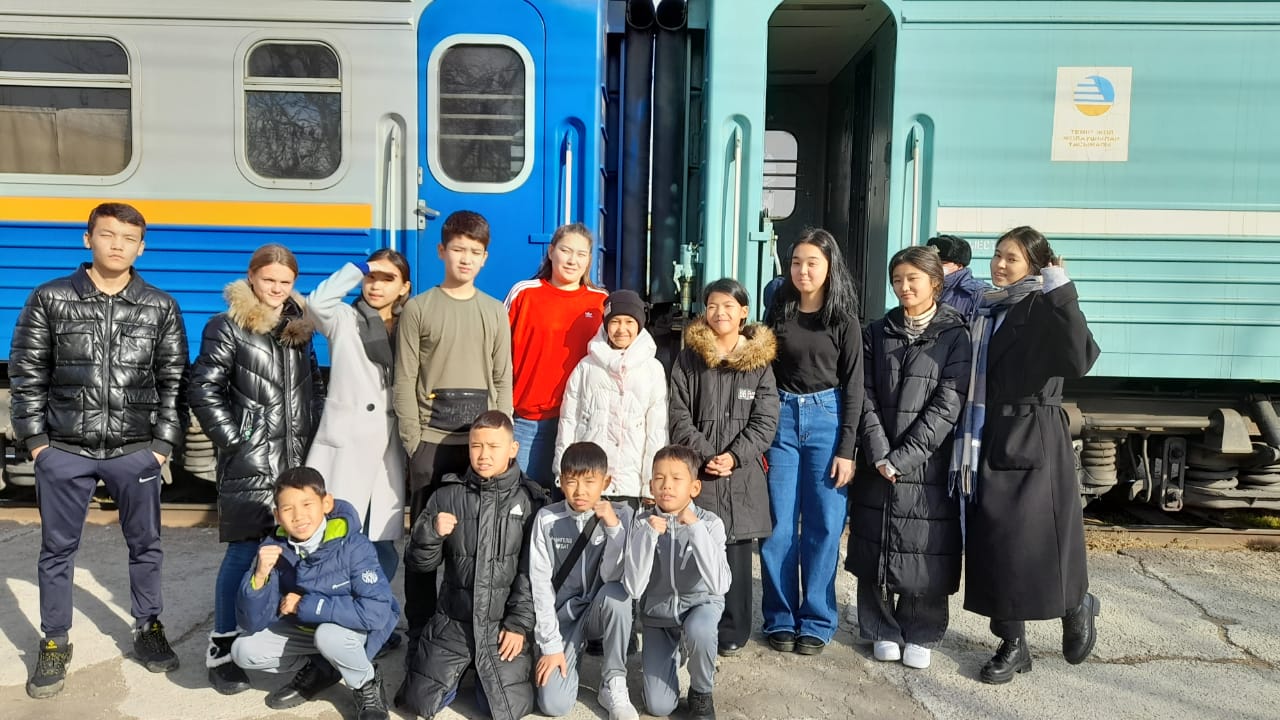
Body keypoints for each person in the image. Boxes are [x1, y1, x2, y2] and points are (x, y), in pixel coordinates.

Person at [10, 202, 186, 698]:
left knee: (146, 545)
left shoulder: (160, 306)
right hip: (65, 449)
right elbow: (27, 372)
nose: (117, 245)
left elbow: (174, 380)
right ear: (87, 239)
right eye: (107, 235)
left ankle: (148, 626)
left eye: (128, 239)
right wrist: (37, 443)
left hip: (136, 451)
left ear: (141, 247)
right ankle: (54, 640)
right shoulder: (50, 297)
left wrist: (161, 446)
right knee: (57, 550)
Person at [952, 226, 1101, 684]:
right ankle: (1013, 642)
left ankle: (1075, 603)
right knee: (995, 542)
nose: (999, 264)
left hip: (1034, 432)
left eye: (1011, 258)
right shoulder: (988, 306)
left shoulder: (1044, 305)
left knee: (1039, 539)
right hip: (988, 431)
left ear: (1035, 266)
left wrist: (1063, 291)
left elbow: (1079, 359)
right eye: (997, 255)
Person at [189, 243, 324, 694]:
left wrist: (316, 440)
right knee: (244, 552)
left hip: (296, 461)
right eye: (269, 280)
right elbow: (203, 388)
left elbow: (314, 386)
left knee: (289, 552)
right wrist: (236, 439)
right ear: (251, 277)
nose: (277, 289)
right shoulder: (226, 326)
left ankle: (270, 633)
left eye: (285, 282)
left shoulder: (300, 330)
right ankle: (222, 647)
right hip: (251, 460)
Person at [393, 210, 513, 651]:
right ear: (441, 250)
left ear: (485, 258)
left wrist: (499, 442)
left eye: (475, 252)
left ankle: (469, 627)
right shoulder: (419, 309)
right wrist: (413, 440)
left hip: (478, 449)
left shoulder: (494, 312)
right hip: (431, 441)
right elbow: (404, 379)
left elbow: (502, 378)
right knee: (425, 542)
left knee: (477, 543)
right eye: (458, 249)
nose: (465, 258)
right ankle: (420, 629)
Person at [846, 246, 971, 671]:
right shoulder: (877, 331)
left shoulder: (954, 334)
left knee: (925, 545)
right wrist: (880, 452)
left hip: (927, 460)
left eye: (912, 279)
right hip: (879, 457)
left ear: (935, 283)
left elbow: (948, 403)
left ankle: (921, 630)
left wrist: (904, 457)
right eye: (897, 279)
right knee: (875, 539)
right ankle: (880, 627)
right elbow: (863, 395)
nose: (904, 287)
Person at [395, 411, 545, 720]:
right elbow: (418, 564)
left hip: (501, 628)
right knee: (418, 702)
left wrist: (518, 625)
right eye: (476, 446)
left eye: (493, 446)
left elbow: (533, 574)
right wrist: (430, 533)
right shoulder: (447, 495)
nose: (484, 455)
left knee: (505, 709)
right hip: (453, 623)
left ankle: (480, 671)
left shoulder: (531, 502)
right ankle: (459, 666)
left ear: (513, 449)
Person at [760, 228, 864, 657]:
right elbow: (762, 367)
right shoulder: (778, 311)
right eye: (797, 262)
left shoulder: (844, 320)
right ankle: (780, 617)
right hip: (782, 420)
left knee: (824, 525)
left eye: (812, 263)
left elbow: (855, 387)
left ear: (829, 267)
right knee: (778, 526)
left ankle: (818, 619)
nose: (803, 271)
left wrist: (847, 450)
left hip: (828, 419)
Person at [230, 467, 397, 720]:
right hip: (307, 630)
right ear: (277, 515)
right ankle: (322, 667)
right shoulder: (275, 547)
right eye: (288, 509)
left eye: (307, 504)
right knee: (244, 650)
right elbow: (251, 622)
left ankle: (366, 681)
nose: (298, 516)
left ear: (326, 503)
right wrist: (259, 577)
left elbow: (376, 613)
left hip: (354, 628)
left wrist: (304, 605)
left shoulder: (354, 545)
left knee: (329, 637)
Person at [668, 278, 779, 657]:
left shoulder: (759, 364)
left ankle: (733, 629)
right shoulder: (689, 359)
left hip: (742, 472)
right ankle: (697, 623)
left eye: (729, 306)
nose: (720, 313)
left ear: (744, 312)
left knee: (736, 550)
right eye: (713, 306)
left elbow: (766, 419)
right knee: (698, 544)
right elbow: (679, 414)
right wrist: (706, 454)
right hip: (702, 471)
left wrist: (734, 456)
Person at [306, 251, 412, 585]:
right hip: (348, 442)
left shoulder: (411, 323)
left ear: (404, 287)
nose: (376, 286)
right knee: (339, 533)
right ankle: (337, 604)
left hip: (388, 445)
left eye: (387, 279)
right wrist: (358, 267)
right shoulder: (344, 318)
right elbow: (316, 303)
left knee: (381, 542)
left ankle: (373, 607)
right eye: (371, 278)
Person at [530, 442, 638, 720]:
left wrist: (613, 528)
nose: (580, 491)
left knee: (618, 597)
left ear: (606, 482)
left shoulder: (622, 515)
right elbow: (540, 585)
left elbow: (614, 577)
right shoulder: (546, 518)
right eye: (571, 481)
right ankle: (570, 653)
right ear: (560, 481)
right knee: (554, 705)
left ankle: (613, 681)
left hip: (598, 610)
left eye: (590, 482)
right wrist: (551, 645)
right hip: (563, 617)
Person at [624, 445, 731, 720]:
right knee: (659, 707)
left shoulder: (710, 523)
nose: (667, 486)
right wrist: (647, 537)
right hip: (658, 614)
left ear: (694, 487)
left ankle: (701, 691)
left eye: (676, 478)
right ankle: (679, 649)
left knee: (700, 630)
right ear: (650, 485)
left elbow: (720, 584)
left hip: (699, 606)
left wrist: (695, 529)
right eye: (659, 478)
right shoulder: (641, 522)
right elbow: (634, 588)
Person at [505, 223, 608, 491]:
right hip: (528, 421)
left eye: (581, 254)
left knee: (573, 501)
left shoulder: (600, 302)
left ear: (589, 260)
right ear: (551, 251)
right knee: (520, 498)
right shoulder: (524, 293)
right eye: (565, 250)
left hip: (581, 422)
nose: (572, 260)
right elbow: (497, 354)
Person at [555, 289, 667, 505]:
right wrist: (563, 472)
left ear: (639, 325)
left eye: (629, 322)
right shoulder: (586, 367)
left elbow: (657, 430)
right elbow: (569, 421)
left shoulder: (652, 369)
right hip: (589, 481)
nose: (621, 329)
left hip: (632, 483)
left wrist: (651, 483)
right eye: (615, 321)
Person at [926, 234, 986, 322]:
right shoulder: (921, 286)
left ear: (959, 265)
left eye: (942, 263)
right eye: (931, 262)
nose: (935, 266)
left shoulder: (976, 293)